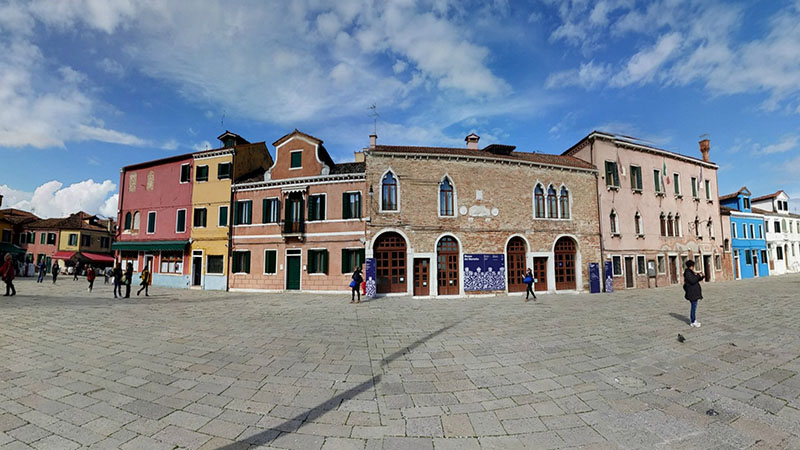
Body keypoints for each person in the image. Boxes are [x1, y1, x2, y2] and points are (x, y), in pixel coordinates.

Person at [683, 260, 704, 328]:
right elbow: (693, 280)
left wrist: (701, 276)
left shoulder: (691, 272)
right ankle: (693, 321)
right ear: (691, 266)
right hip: (692, 293)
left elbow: (696, 279)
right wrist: (698, 275)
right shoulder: (688, 273)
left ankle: (693, 320)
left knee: (694, 306)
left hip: (694, 292)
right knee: (693, 307)